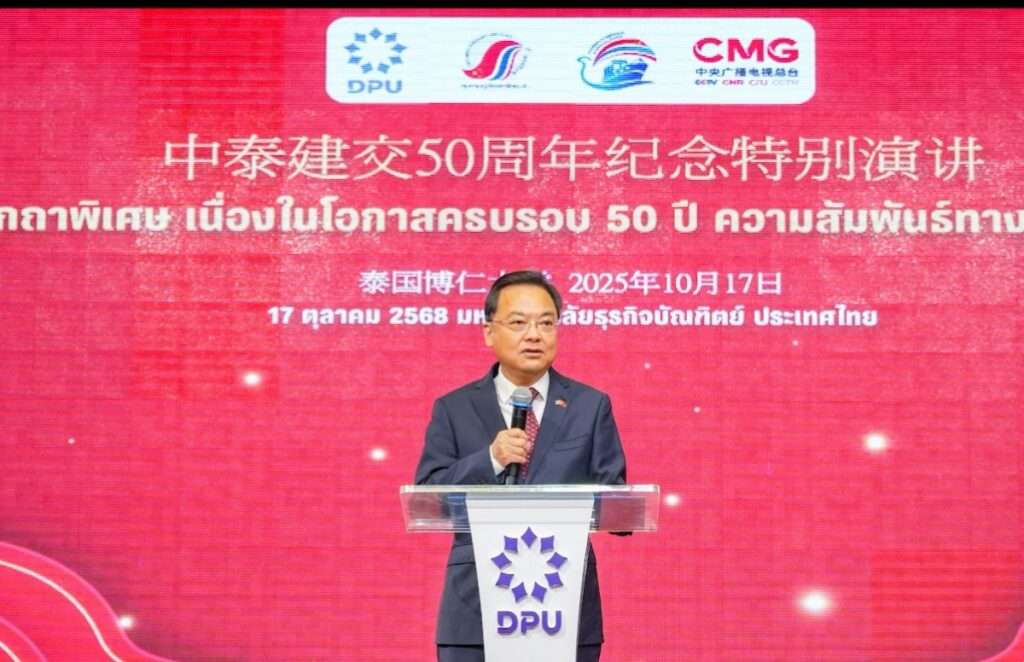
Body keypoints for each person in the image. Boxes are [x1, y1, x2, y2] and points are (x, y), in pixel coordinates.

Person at [414, 270, 628, 662]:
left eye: (546, 323)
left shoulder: (589, 405)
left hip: (563, 602)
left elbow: (616, 501)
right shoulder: (454, 407)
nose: (534, 335)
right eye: (518, 323)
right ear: (489, 332)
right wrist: (490, 460)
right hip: (475, 607)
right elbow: (429, 497)